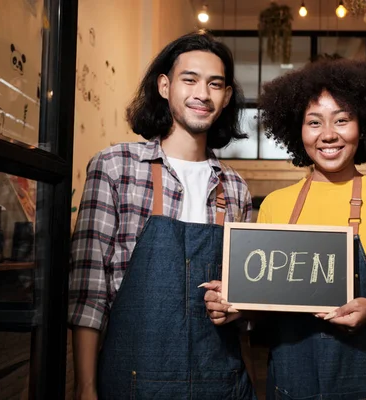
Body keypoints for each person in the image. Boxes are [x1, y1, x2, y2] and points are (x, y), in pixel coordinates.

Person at [204, 59, 366, 399]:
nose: (328, 134)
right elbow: (264, 299)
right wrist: (234, 302)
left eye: (342, 120)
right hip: (292, 378)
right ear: (297, 130)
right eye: (314, 122)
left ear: (364, 125)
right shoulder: (275, 205)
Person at [68, 31, 255, 400]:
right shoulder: (116, 166)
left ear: (227, 97)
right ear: (165, 86)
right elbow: (88, 292)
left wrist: (238, 308)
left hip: (219, 382)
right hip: (132, 380)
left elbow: (246, 298)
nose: (202, 93)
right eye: (190, 80)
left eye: (215, 84)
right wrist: (85, 386)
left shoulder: (235, 189)